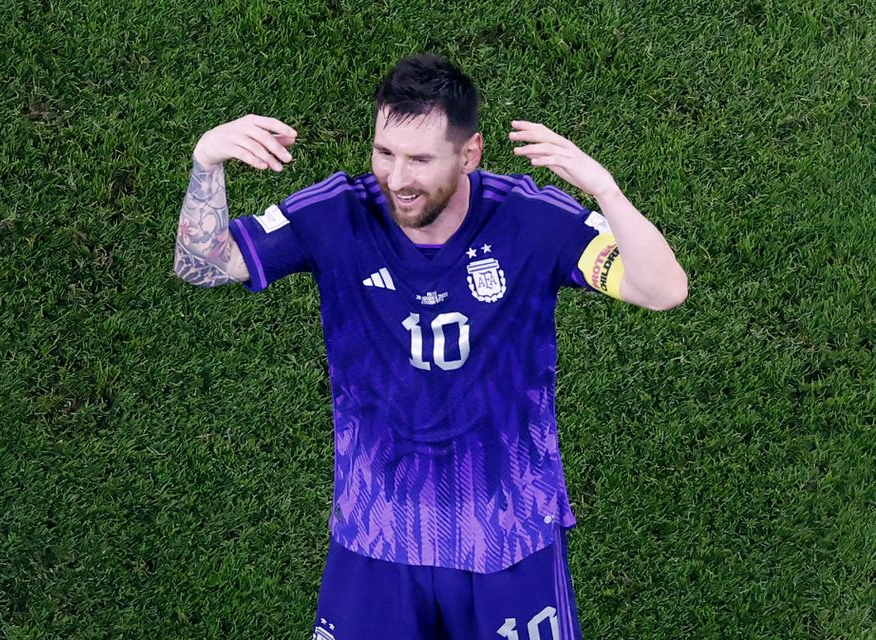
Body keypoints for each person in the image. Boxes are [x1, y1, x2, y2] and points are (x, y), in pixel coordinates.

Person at [174, 53, 687, 640]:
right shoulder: (337, 213)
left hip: (510, 532)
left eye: (420, 159)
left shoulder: (532, 218)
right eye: (384, 153)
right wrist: (206, 161)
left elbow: (663, 290)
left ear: (470, 154)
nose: (397, 178)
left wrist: (606, 191)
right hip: (377, 532)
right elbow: (202, 266)